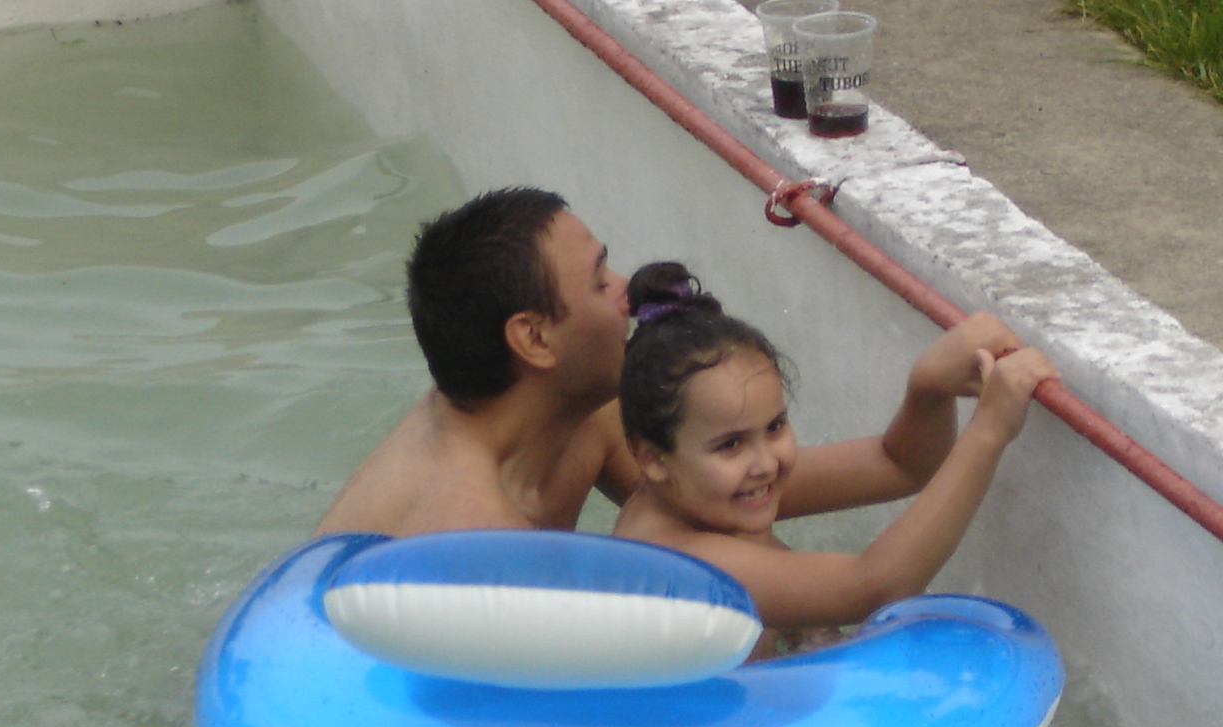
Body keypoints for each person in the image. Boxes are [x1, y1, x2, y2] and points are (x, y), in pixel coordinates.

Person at [612, 262, 1060, 658]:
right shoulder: (676, 561)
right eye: (730, 444)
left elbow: (898, 464)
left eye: (775, 426)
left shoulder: (706, 490)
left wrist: (928, 389)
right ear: (652, 457)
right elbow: (875, 588)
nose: (765, 463)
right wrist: (990, 429)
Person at [316, 187, 642, 536]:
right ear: (534, 338)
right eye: (600, 282)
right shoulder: (470, 526)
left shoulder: (581, 406)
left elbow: (678, 493)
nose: (629, 290)